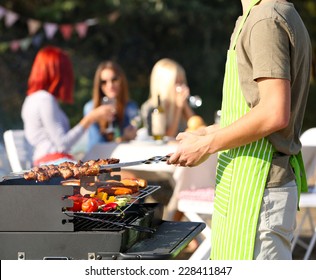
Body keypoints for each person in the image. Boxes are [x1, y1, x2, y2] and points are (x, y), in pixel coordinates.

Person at [167, 0, 312, 260]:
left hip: (259, 192)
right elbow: (252, 112)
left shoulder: (266, 20)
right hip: (243, 186)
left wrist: (206, 146)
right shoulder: (258, 15)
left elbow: (274, 112)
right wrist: (208, 133)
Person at [21, 46, 115, 166]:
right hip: (53, 163)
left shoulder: (32, 98)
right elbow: (62, 144)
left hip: (45, 162)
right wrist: (90, 118)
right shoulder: (45, 99)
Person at [83, 61, 139, 151]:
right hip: (98, 160)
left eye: (114, 80)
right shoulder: (91, 108)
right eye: (104, 82)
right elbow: (96, 145)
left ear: (121, 80)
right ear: (99, 85)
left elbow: (135, 135)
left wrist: (130, 134)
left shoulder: (130, 107)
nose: (110, 85)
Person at [140, 58, 195, 139]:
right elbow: (166, 138)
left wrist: (185, 106)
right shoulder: (151, 108)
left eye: (182, 82)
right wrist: (178, 108)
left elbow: (198, 126)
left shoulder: (182, 104)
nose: (180, 87)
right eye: (176, 82)